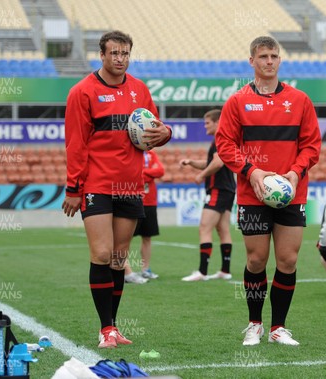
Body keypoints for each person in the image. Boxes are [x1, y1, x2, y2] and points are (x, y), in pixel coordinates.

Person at [62, 30, 172, 348]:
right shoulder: (82, 92)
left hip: (131, 185)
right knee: (101, 253)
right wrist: (73, 188)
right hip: (97, 184)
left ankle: (112, 327)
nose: (120, 59)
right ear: (102, 54)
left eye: (125, 53)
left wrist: (166, 132)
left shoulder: (140, 89)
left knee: (119, 257)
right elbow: (76, 144)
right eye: (114, 53)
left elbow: (156, 130)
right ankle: (104, 328)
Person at [215, 36, 321, 346]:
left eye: (274, 55)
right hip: (253, 195)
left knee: (287, 261)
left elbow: (312, 145)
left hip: (292, 193)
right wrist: (252, 171)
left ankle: (278, 327)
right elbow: (225, 144)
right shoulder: (236, 102)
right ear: (252, 61)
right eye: (263, 56)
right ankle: (254, 324)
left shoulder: (300, 100)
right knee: (257, 261)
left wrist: (295, 172)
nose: (269, 61)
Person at [180, 109, 236, 282]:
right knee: (223, 229)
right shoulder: (224, 139)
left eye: (207, 123)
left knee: (205, 228)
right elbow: (212, 162)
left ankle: (202, 272)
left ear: (218, 121)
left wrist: (201, 175)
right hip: (228, 189)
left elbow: (217, 163)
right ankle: (225, 271)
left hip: (218, 189)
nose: (205, 126)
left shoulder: (221, 138)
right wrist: (192, 163)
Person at [125, 148, 165, 284]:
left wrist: (143, 172)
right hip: (132, 199)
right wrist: (149, 173)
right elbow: (131, 173)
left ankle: (145, 270)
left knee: (147, 237)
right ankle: (126, 271)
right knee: (125, 239)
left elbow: (160, 171)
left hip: (150, 202)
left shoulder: (151, 154)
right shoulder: (130, 153)